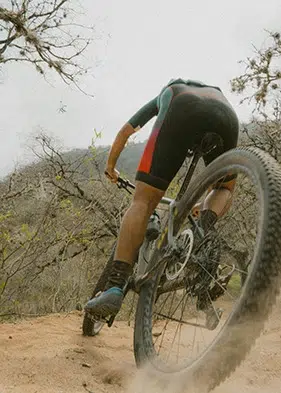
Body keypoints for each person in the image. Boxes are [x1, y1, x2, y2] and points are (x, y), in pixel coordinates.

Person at [85, 78, 239, 318]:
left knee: (143, 202)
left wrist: (111, 167)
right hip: (227, 117)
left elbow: (126, 132)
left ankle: (115, 285)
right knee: (224, 188)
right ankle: (201, 233)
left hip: (182, 109)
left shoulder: (171, 91)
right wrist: (202, 206)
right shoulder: (215, 94)